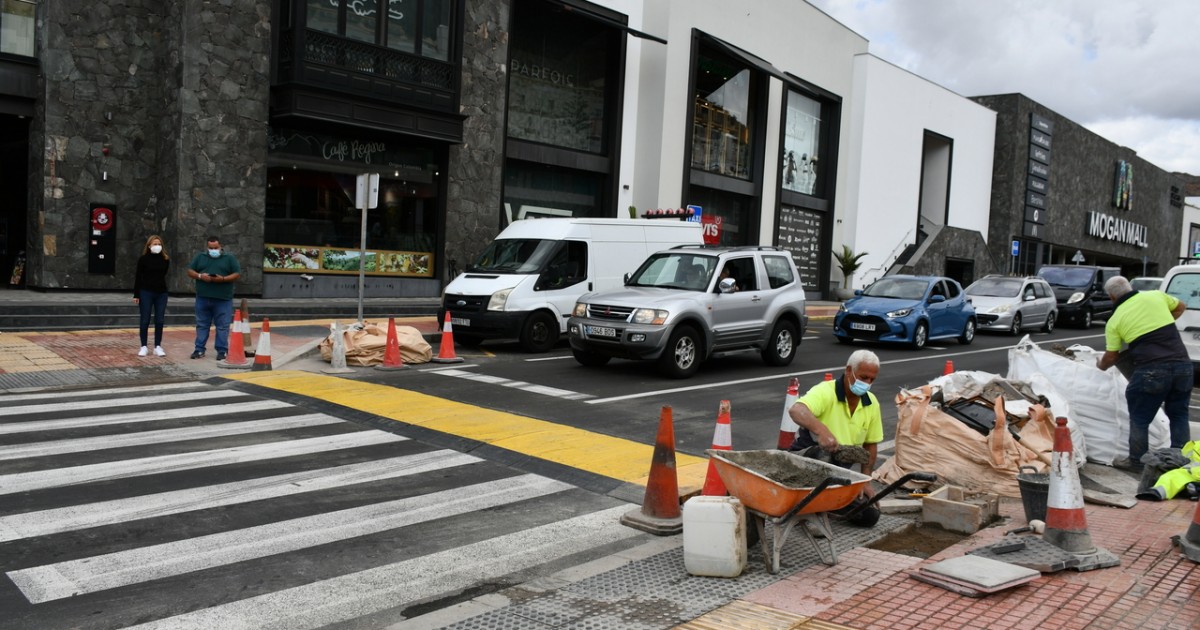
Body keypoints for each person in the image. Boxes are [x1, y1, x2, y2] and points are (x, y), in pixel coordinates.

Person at [1096, 275, 1192, 470]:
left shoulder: (1115, 321)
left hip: (1151, 370)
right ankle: (1180, 461)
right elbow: (1181, 306)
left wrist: (1100, 366)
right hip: (1183, 366)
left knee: (1140, 418)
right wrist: (1162, 323)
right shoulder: (1156, 296)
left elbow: (1112, 357)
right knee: (1179, 414)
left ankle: (1137, 462)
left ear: (1112, 297)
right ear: (1129, 287)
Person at [788, 349, 884, 526]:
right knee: (823, 456)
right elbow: (796, 410)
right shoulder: (826, 391)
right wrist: (822, 431)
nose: (868, 383)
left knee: (869, 515)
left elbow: (871, 444)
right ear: (849, 371)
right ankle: (808, 509)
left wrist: (865, 480)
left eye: (872, 380)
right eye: (863, 377)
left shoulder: (871, 403)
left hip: (837, 476)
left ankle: (822, 506)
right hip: (804, 466)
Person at [186, 236, 241, 360]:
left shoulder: (229, 258)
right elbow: (190, 271)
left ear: (220, 246)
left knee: (222, 326)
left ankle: (222, 350)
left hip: (223, 299)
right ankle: (199, 349)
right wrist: (200, 276)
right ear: (207, 247)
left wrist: (222, 279)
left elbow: (237, 274)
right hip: (203, 298)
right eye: (210, 248)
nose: (213, 250)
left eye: (215, 248)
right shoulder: (200, 257)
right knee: (202, 324)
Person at [132, 235, 170, 357]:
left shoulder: (165, 259)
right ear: (149, 246)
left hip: (161, 292)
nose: (157, 246)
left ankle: (157, 346)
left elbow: (164, 274)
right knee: (145, 319)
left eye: (159, 244)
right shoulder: (143, 259)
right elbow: (138, 277)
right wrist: (136, 294)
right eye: (154, 244)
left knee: (159, 320)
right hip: (146, 292)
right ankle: (143, 346)